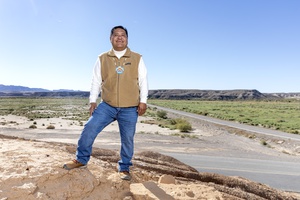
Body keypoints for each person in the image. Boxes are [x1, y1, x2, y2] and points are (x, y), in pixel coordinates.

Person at [63, 25, 148, 181]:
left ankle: (124, 168)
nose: (120, 37)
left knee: (127, 139)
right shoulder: (102, 58)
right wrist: (92, 101)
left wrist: (143, 101)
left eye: (123, 35)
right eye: (116, 35)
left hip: (130, 108)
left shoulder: (137, 58)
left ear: (127, 39)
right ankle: (81, 160)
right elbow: (96, 81)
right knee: (90, 127)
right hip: (107, 105)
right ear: (110, 38)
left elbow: (143, 81)